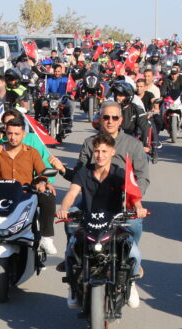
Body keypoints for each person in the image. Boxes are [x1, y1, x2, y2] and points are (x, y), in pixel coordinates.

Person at [57, 133, 148, 309]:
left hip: (114, 220)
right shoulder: (84, 172)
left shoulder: (118, 172)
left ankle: (131, 283)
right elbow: (72, 193)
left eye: (104, 151)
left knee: (134, 253)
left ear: (112, 152)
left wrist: (138, 208)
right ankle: (72, 286)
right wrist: (64, 209)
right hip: (89, 219)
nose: (100, 155)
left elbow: (132, 193)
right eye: (97, 151)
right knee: (71, 250)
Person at [0, 118, 59, 254]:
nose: (13, 137)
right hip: (0, 194)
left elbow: (42, 173)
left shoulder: (32, 152)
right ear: (5, 134)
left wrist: (43, 182)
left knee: (48, 197)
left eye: (17, 134)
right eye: (10, 133)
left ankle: (46, 238)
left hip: (25, 194)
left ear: (23, 134)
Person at [73, 101, 150, 243]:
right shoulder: (89, 143)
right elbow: (79, 174)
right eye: (106, 117)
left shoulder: (133, 144)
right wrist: (61, 170)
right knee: (70, 221)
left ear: (120, 120)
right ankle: (73, 255)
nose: (110, 121)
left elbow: (142, 176)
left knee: (133, 226)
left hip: (122, 200)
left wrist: (132, 199)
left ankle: (132, 257)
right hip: (92, 198)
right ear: (100, 119)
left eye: (114, 118)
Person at [0, 108, 67, 183]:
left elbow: (46, 164)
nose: (10, 125)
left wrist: (45, 183)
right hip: (3, 186)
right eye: (6, 123)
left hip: (30, 185)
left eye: (13, 122)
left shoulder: (33, 139)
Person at [109, 82, 153, 153]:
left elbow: (145, 127)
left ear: (128, 96)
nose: (117, 97)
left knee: (143, 159)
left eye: (120, 95)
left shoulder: (137, 109)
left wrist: (145, 145)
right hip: (111, 143)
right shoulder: (110, 108)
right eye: (116, 94)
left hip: (131, 143)